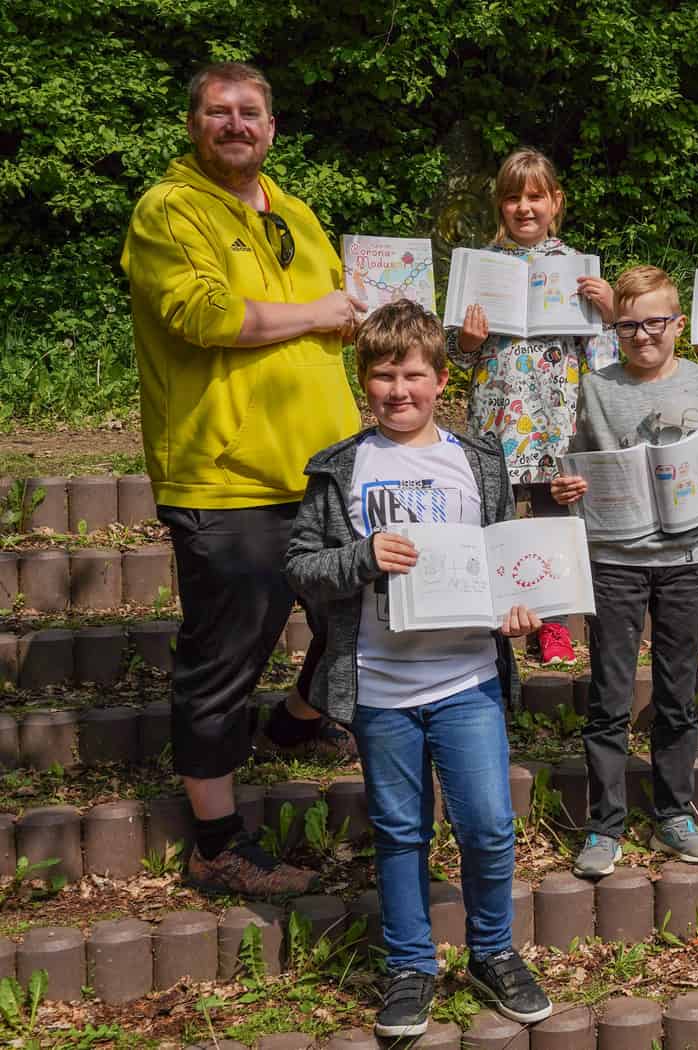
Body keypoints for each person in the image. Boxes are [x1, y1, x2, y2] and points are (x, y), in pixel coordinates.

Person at [121, 61, 362, 896]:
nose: (235, 124)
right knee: (226, 654)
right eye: (218, 112)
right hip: (227, 478)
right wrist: (322, 314)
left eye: (249, 112)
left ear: (271, 127)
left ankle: (296, 724)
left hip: (326, 467)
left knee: (359, 611)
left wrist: (363, 319)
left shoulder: (295, 210)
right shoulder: (169, 209)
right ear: (194, 125)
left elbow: (336, 315)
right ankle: (217, 842)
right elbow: (205, 315)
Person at [285, 301, 551, 1036]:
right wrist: (362, 559)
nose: (398, 390)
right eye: (381, 375)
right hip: (378, 681)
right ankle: (409, 965)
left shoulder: (476, 461)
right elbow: (301, 566)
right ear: (362, 381)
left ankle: (493, 952)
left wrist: (518, 609)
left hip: (467, 679)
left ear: (440, 380)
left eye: (413, 375)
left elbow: (504, 563)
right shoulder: (341, 469)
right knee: (400, 830)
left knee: (491, 827)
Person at [552, 266, 698, 877]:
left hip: (685, 560)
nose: (642, 336)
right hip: (614, 560)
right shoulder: (596, 386)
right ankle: (604, 824)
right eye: (628, 325)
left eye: (655, 323)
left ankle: (673, 812)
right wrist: (568, 485)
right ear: (614, 327)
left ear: (678, 324)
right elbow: (575, 456)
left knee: (677, 694)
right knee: (610, 697)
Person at [447, 148, 618, 666]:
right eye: (513, 198)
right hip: (496, 420)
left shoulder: (578, 268)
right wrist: (470, 340)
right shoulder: (481, 266)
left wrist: (609, 309)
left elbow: (603, 354)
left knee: (553, 521)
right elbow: (454, 353)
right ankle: (496, 623)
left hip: (556, 422)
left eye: (535, 197)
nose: (524, 207)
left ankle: (554, 627)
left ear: (555, 202)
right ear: (500, 206)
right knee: (497, 518)